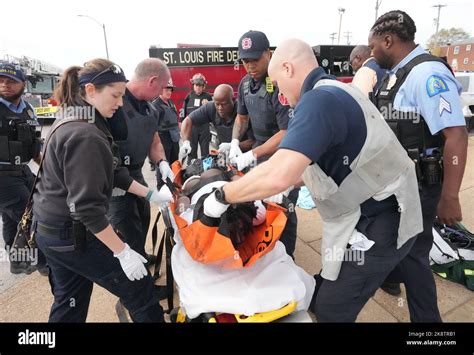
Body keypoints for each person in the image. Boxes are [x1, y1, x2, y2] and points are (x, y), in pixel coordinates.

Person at [202, 39, 424, 322]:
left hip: (382, 221)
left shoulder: (319, 101)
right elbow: (323, 162)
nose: (280, 94)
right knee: (322, 288)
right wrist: (279, 187)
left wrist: (223, 195)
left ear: (287, 68)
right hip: (375, 211)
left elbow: (279, 172)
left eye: (279, 83)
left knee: (332, 308)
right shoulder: (332, 90)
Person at [33, 59, 171, 322]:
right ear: (91, 90)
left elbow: (114, 172)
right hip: (73, 235)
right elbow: (87, 209)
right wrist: (122, 251)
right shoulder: (86, 135)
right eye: (116, 95)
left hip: (51, 233)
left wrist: (151, 194)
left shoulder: (74, 118)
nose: (120, 103)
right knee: (139, 289)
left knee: (69, 303)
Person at [370, 10, 468, 321]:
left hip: (421, 186)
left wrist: (449, 196)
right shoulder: (400, 73)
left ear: (388, 40)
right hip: (399, 184)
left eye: (373, 46)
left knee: (415, 256)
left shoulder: (427, 74)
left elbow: (456, 135)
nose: (371, 53)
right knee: (400, 246)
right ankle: (390, 277)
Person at [170, 169, 315, 320]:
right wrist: (267, 196)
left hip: (215, 198)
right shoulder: (253, 212)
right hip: (222, 195)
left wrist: (179, 198)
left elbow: (180, 218)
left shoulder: (193, 219)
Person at [229, 30, 299, 257]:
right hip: (259, 154)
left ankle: (287, 257)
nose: (250, 65)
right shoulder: (245, 84)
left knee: (283, 208)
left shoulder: (278, 84)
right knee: (259, 207)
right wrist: (234, 142)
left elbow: (286, 132)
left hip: (284, 156)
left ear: (268, 54)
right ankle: (268, 253)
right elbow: (241, 117)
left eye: (255, 59)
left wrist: (253, 154)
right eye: (245, 60)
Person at [107, 58, 175, 262]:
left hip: (136, 173)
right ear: (152, 81)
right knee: (125, 224)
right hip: (115, 178)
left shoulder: (150, 109)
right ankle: (134, 289)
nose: (163, 92)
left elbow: (154, 141)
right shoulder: (114, 103)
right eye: (162, 87)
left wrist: (162, 162)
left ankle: (140, 255)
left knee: (144, 215)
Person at [0, 62, 47, 275]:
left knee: (12, 219)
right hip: (3, 177)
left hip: (23, 170)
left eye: (11, 81)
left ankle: (18, 262)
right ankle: (46, 263)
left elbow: (35, 145)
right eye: (0, 81)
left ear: (23, 84)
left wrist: (47, 168)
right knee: (34, 216)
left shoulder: (27, 109)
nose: (4, 85)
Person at [179, 84, 255, 161]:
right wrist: (186, 142)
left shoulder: (244, 110)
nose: (220, 108)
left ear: (233, 100)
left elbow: (255, 141)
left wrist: (234, 146)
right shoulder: (211, 107)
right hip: (226, 155)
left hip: (248, 156)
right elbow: (188, 120)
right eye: (217, 104)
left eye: (224, 104)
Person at [152, 79, 180, 171]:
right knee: (164, 165)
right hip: (163, 139)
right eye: (166, 89)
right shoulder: (155, 105)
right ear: (160, 90)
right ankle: (162, 185)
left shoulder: (171, 103)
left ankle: (173, 183)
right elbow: (152, 127)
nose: (169, 92)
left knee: (174, 164)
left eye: (170, 90)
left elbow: (175, 118)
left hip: (174, 138)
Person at [183, 73, 213, 159]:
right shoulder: (189, 96)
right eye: (196, 85)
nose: (198, 87)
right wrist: (182, 124)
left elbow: (214, 112)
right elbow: (183, 112)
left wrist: (208, 105)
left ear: (204, 86)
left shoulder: (208, 97)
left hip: (204, 128)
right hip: (192, 128)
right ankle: (192, 169)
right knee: (191, 151)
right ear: (193, 85)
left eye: (200, 85)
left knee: (205, 152)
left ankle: (206, 169)